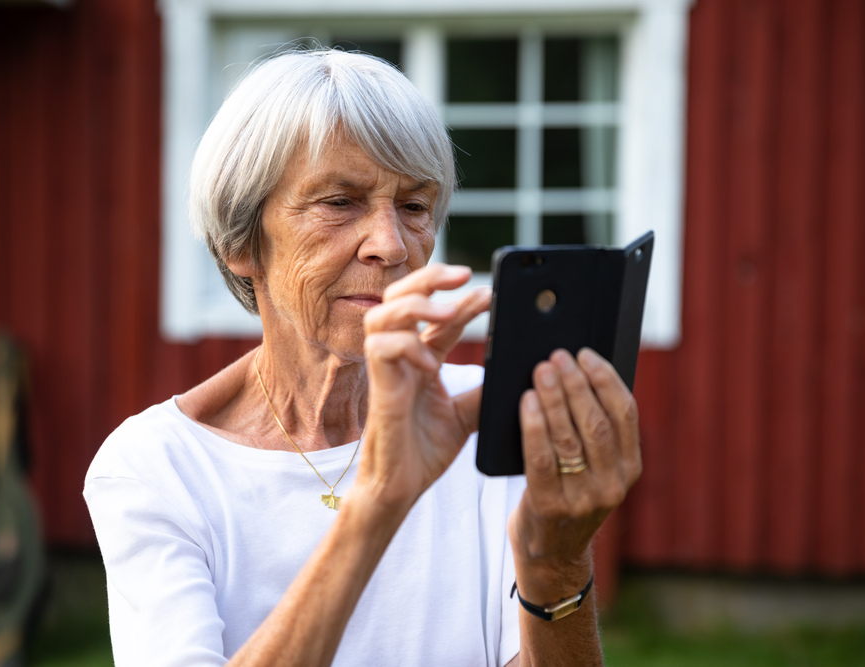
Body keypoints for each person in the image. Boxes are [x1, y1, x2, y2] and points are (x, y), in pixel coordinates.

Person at [83, 48, 641, 667]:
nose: (391, 245)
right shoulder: (158, 469)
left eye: (414, 206)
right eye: (339, 202)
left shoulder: (481, 416)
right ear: (240, 242)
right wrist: (378, 499)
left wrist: (556, 564)